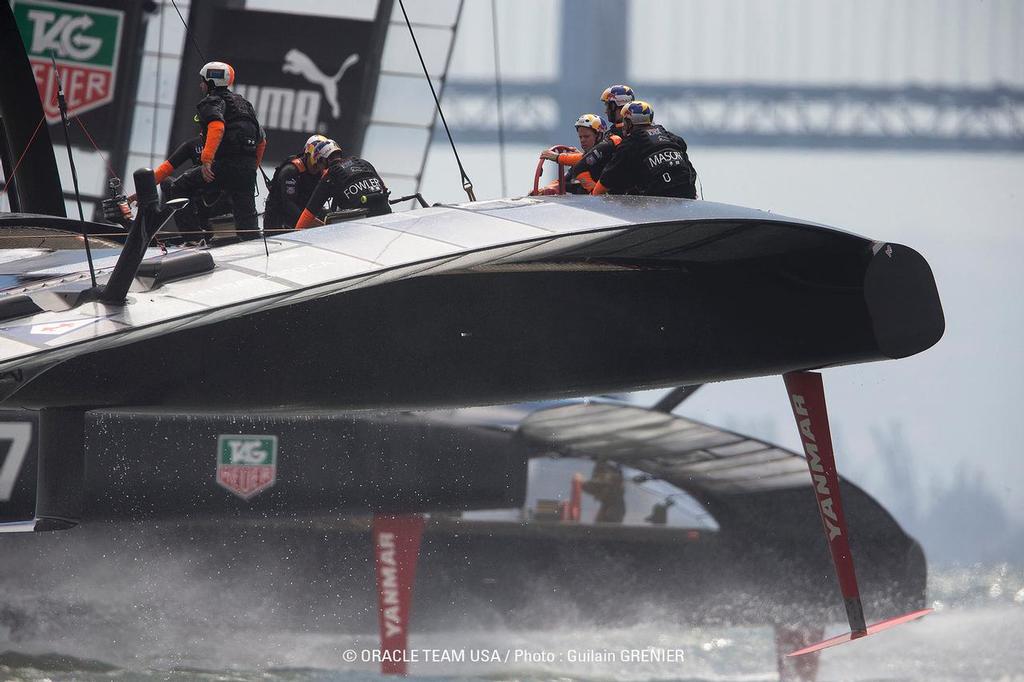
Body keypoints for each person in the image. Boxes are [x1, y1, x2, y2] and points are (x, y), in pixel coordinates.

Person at [165, 61, 266, 241]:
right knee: (247, 220)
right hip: (247, 169)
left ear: (210, 82)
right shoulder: (245, 103)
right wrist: (252, 169)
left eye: (202, 81)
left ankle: (194, 239)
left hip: (225, 165)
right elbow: (262, 141)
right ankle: (253, 243)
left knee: (178, 187)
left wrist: (207, 160)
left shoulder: (211, 101)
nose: (200, 84)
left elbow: (217, 126)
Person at [591, 100, 697, 199]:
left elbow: (606, 180)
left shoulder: (630, 144)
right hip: (689, 196)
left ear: (629, 123)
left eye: (625, 121)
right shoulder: (672, 138)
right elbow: (689, 167)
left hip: (660, 203)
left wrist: (593, 197)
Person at [294, 139, 391, 229]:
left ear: (324, 160)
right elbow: (384, 189)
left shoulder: (330, 176)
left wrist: (295, 237)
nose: (319, 170)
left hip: (361, 226)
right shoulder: (364, 163)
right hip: (386, 216)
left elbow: (307, 216)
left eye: (318, 165)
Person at [263, 134, 330, 230]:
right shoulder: (291, 171)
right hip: (280, 219)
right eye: (317, 159)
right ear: (308, 154)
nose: (319, 166)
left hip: (305, 216)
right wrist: (310, 222)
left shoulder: (322, 172)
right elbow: (288, 204)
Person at [538, 113, 608, 193]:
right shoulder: (581, 160)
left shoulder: (606, 152)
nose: (582, 140)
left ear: (599, 136)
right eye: (580, 137)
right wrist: (545, 189)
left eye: (586, 136)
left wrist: (557, 157)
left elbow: (585, 160)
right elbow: (562, 180)